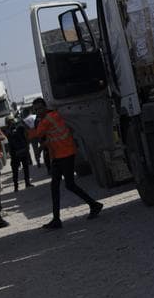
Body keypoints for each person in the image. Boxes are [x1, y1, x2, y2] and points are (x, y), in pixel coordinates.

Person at [28, 98, 103, 229]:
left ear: (45, 107)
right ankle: (57, 218)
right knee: (56, 187)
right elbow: (53, 136)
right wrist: (42, 147)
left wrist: (26, 127)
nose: (38, 111)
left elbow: (35, 134)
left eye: (40, 108)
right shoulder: (54, 115)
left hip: (65, 154)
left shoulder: (47, 119)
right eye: (36, 109)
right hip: (60, 155)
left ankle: (93, 205)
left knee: (68, 184)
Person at [5, 116, 33, 191]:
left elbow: (26, 133)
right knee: (18, 169)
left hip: (19, 151)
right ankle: (18, 185)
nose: (11, 122)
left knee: (22, 168)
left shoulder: (15, 128)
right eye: (10, 121)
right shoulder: (11, 129)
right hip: (17, 151)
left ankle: (24, 184)